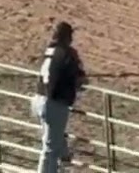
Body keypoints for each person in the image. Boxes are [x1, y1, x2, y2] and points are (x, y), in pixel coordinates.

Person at [32, 21, 88, 173]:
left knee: (56, 143)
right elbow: (80, 79)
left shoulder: (49, 50)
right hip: (55, 103)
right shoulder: (68, 54)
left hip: (38, 99)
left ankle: (65, 162)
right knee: (50, 149)